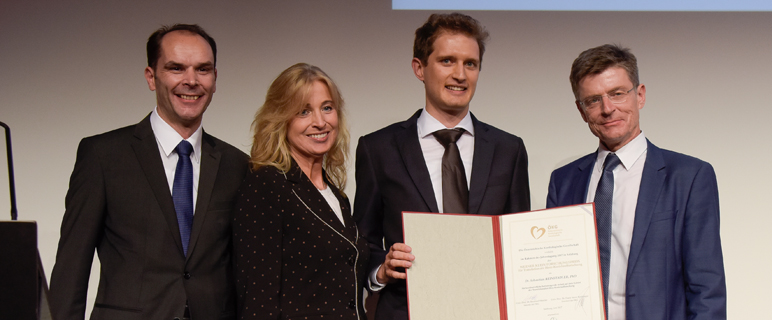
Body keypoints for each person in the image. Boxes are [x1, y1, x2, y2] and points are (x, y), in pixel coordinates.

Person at [49, 24, 249, 320]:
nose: (191, 80)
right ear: (151, 77)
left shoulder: (238, 165)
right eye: (176, 68)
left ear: (215, 79)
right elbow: (71, 269)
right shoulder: (103, 156)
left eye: (203, 69)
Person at [354, 13, 530, 320]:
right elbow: (364, 240)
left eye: (470, 64)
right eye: (447, 61)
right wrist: (380, 269)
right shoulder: (378, 148)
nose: (460, 74)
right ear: (419, 69)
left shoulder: (508, 149)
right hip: (404, 310)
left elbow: (519, 243)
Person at [546, 44, 726, 319]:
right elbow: (554, 277)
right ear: (581, 110)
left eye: (617, 94)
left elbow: (707, 290)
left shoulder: (689, 176)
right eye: (593, 100)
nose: (607, 109)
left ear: (639, 95)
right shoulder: (564, 181)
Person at [233, 63, 369, 320]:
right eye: (304, 112)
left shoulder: (338, 197)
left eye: (327, 108)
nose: (320, 122)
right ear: (280, 119)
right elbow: (257, 301)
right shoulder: (266, 186)